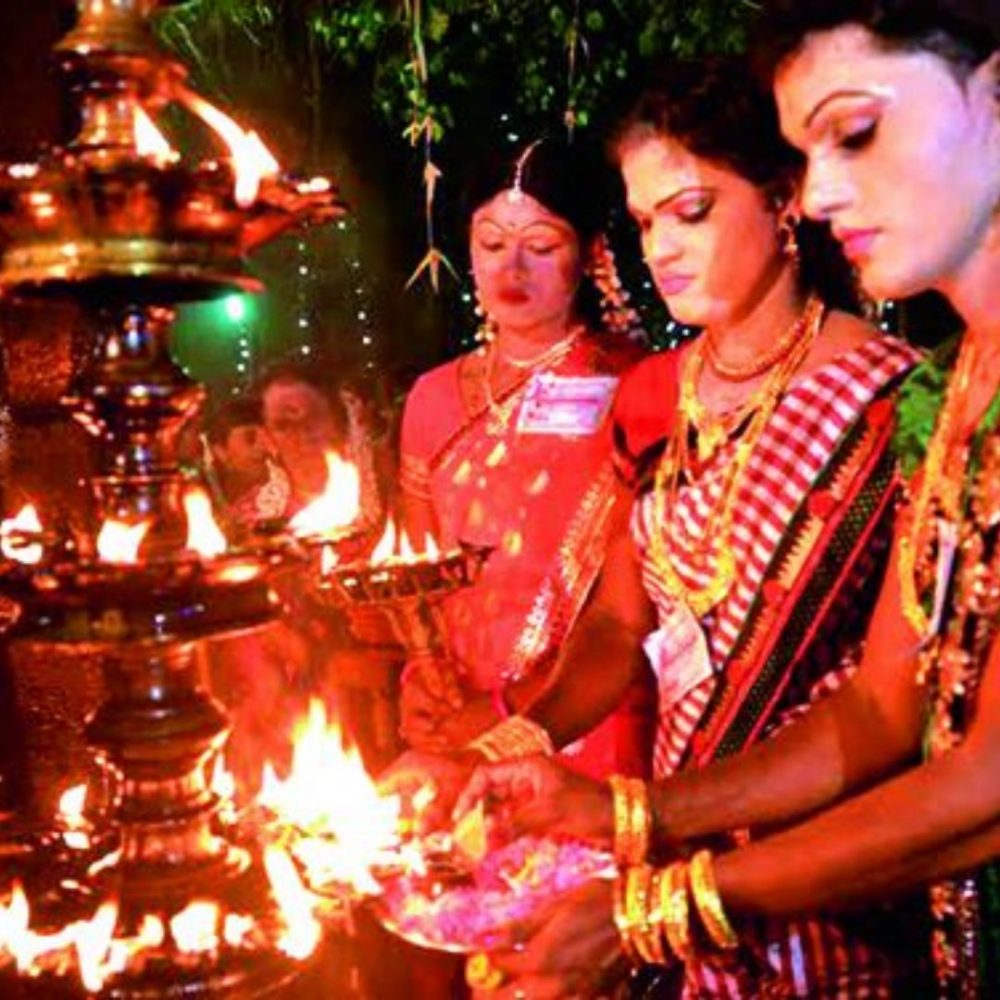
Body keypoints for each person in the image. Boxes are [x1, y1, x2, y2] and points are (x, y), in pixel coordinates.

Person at [449, 4, 1000, 997]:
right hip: (722, 843)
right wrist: (555, 775)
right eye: (646, 218)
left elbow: (947, 760)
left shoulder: (889, 398)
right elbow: (630, 621)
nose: (663, 246)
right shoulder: (947, 391)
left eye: (856, 133)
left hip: (838, 877)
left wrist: (647, 888)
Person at [396, 137, 653, 779]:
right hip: (454, 715)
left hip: (591, 715)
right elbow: (414, 573)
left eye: (540, 247)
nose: (512, 270)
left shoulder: (638, 385)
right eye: (491, 244)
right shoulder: (431, 397)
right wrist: (422, 676)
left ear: (592, 252)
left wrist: (511, 708)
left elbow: (632, 600)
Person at [203, 396, 290, 530]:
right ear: (220, 451)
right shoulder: (199, 495)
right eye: (250, 439)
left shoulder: (290, 490)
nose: (264, 447)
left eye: (269, 436)